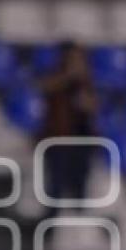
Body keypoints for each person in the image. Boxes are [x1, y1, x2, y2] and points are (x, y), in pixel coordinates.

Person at [37, 41, 98, 208]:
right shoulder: (55, 75)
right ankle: (50, 227)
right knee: (55, 188)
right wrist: (68, 77)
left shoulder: (88, 81)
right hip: (59, 140)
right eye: (73, 58)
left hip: (82, 142)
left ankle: (77, 225)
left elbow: (93, 106)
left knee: (80, 187)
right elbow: (44, 87)